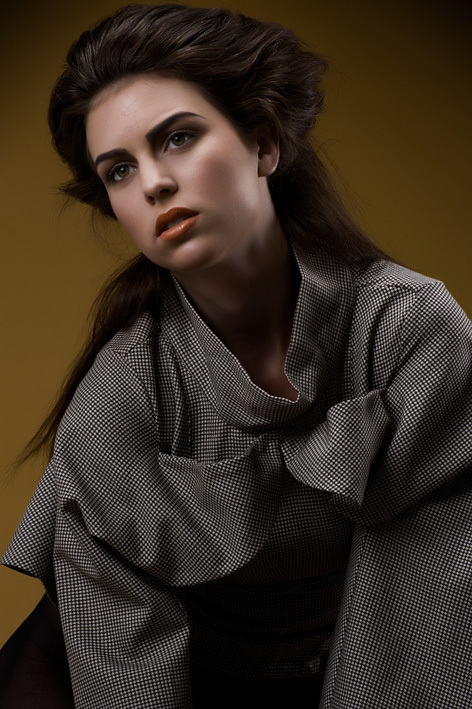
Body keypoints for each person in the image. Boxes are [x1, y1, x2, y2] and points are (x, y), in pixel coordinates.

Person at [1, 4, 471, 708]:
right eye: (120, 170)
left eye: (178, 138)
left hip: (362, 651)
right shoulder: (124, 388)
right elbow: (124, 645)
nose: (154, 183)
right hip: (170, 661)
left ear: (264, 143)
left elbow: (428, 591)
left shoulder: (408, 328)